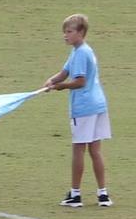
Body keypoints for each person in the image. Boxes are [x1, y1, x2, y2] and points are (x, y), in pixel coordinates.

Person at [39, 15, 110, 208]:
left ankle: (76, 195)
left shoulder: (80, 53)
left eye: (69, 32)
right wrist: (52, 80)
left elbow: (80, 81)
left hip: (85, 107)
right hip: (99, 104)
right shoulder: (81, 50)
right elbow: (65, 71)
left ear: (81, 32)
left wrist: (60, 87)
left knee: (79, 149)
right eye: (65, 31)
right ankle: (103, 194)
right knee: (95, 150)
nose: (65, 35)